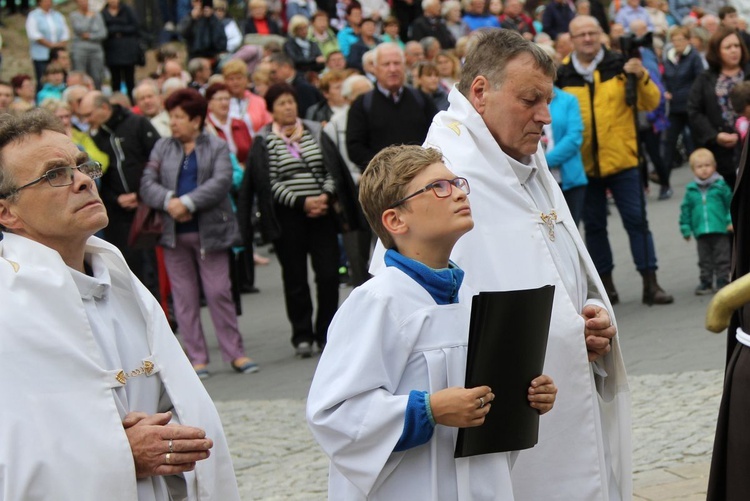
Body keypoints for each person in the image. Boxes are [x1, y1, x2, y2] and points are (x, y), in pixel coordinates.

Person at [368, 28, 629, 500]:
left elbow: (559, 258)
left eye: (547, 101)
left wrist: (588, 314)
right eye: (530, 100)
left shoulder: (520, 152)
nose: (544, 117)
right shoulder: (441, 179)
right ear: (481, 92)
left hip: (559, 393)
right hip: (496, 427)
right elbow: (415, 324)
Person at [0, 109, 241, 500]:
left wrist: (173, 436)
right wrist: (117, 454)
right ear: (6, 212)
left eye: (82, 166)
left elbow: (176, 399)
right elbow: (13, 456)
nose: (81, 182)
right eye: (54, 175)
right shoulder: (7, 309)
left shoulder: (120, 280)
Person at [307, 144, 558, 500]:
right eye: (439, 187)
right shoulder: (379, 301)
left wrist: (526, 396)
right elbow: (334, 414)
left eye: (457, 183)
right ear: (395, 220)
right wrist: (428, 409)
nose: (457, 192)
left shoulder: (472, 296)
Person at [139, 88, 259, 379]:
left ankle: (235, 353)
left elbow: (222, 180)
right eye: (172, 117)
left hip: (211, 232)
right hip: (173, 234)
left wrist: (189, 201)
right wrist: (170, 201)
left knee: (219, 293)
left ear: (195, 119)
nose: (174, 123)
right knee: (184, 297)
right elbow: (146, 182)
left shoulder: (215, 146)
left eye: (179, 117)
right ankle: (196, 359)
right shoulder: (162, 147)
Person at [238, 82, 364, 358]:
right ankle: (303, 334)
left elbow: (331, 169)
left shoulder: (315, 133)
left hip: (322, 216)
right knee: (295, 278)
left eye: (291, 102)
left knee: (329, 274)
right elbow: (267, 183)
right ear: (271, 109)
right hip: (288, 219)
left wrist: (325, 196)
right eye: (282, 103)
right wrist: (301, 202)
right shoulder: (264, 141)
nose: (288, 107)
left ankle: (327, 331)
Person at [557, 15, 673, 306]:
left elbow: (651, 103)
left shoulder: (621, 64)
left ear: (601, 35)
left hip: (623, 160)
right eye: (580, 34)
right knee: (594, 228)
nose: (587, 38)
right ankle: (606, 288)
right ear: (571, 40)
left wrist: (641, 75)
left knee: (637, 222)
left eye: (591, 32)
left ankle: (651, 283)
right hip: (584, 165)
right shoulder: (562, 73)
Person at [78, 91, 161, 295]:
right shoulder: (94, 136)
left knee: (152, 265)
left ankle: (163, 313)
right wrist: (115, 198)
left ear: (104, 108)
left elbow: (158, 161)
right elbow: (98, 174)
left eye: (89, 114)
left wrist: (141, 194)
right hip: (116, 210)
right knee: (127, 266)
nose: (87, 120)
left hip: (146, 206)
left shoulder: (137, 124)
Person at [346, 43, 438, 170]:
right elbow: (355, 147)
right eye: (386, 64)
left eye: (397, 63)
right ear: (375, 68)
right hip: (383, 180)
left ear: (404, 66)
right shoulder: (362, 104)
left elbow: (437, 134)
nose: (392, 69)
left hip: (421, 174)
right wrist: (386, 168)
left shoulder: (422, 99)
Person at [688, 26, 750, 190]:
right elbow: (694, 111)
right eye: (728, 47)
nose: (733, 51)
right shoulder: (705, 78)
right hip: (721, 152)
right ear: (717, 51)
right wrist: (715, 136)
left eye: (737, 46)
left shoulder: (748, 73)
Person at [679, 148, 733, 295]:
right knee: (704, 259)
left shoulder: (720, 186)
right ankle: (706, 281)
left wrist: (730, 220)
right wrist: (685, 228)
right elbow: (686, 210)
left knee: (722, 257)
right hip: (701, 231)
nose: (704, 170)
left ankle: (722, 280)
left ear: (714, 167)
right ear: (693, 170)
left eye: (707, 165)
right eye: (699, 166)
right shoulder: (691, 191)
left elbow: (730, 205)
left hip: (720, 228)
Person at [663, 26, 704, 174]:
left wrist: (691, 96)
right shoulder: (669, 56)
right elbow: (665, 78)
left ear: (688, 40)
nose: (677, 43)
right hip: (674, 107)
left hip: (690, 106)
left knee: (696, 140)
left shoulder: (694, 57)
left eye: (680, 39)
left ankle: (702, 173)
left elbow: (699, 79)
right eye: (674, 40)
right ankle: (663, 179)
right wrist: (665, 90)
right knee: (669, 142)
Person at [545, 83, 588, 226]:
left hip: (569, 179)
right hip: (542, 181)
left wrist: (544, 162)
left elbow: (574, 138)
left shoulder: (568, 100)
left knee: (571, 231)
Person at [25, 0, 69, 92]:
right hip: (41, 55)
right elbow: (34, 34)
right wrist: (51, 45)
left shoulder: (58, 15)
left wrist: (58, 45)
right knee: (43, 80)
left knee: (61, 79)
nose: (48, 3)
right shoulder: (33, 16)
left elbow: (65, 33)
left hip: (56, 56)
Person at [102, 0, 141, 99]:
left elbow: (135, 26)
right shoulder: (103, 13)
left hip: (128, 51)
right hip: (112, 52)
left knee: (129, 79)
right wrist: (120, 30)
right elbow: (104, 30)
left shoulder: (127, 10)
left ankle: (132, 100)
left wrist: (117, 30)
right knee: (115, 80)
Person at [69, 0, 108, 90]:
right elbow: (80, 29)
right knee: (80, 75)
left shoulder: (97, 15)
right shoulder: (74, 16)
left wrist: (89, 36)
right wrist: (89, 18)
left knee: (97, 76)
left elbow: (103, 33)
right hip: (80, 49)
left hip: (96, 50)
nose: (84, 2)